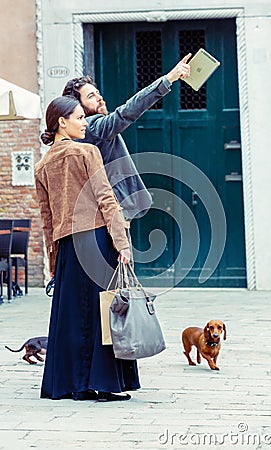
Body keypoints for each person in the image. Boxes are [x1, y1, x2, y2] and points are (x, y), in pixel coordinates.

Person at [35, 95, 138, 402]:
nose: (85, 123)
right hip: (95, 239)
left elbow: (47, 218)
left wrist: (54, 261)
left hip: (67, 247)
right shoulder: (87, 152)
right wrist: (123, 243)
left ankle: (73, 385)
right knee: (102, 311)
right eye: (79, 117)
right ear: (61, 123)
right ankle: (105, 385)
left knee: (71, 314)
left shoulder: (42, 165)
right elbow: (107, 199)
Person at [62, 54, 191, 222]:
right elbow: (127, 112)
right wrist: (168, 79)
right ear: (77, 107)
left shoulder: (79, 134)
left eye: (97, 92)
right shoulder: (93, 127)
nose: (100, 98)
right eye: (91, 96)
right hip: (112, 213)